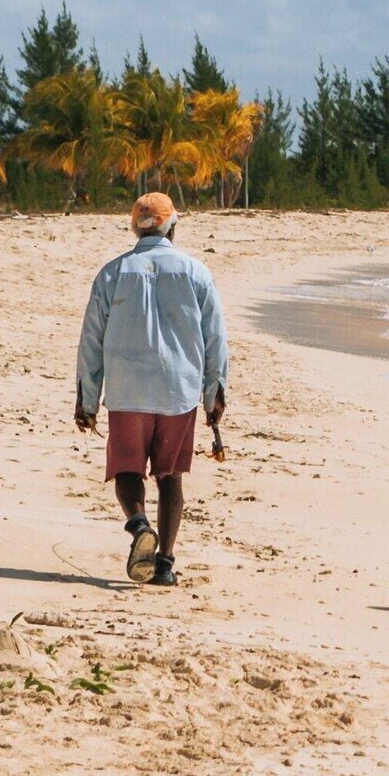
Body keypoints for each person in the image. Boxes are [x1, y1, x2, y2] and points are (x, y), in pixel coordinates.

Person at [75, 192, 228, 586]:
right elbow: (215, 339)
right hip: (179, 390)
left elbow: (92, 338)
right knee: (170, 476)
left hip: (128, 389)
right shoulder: (196, 272)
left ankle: (140, 524)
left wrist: (87, 398)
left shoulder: (112, 273)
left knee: (127, 468)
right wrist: (215, 394)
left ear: (134, 227)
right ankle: (164, 565)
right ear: (172, 226)